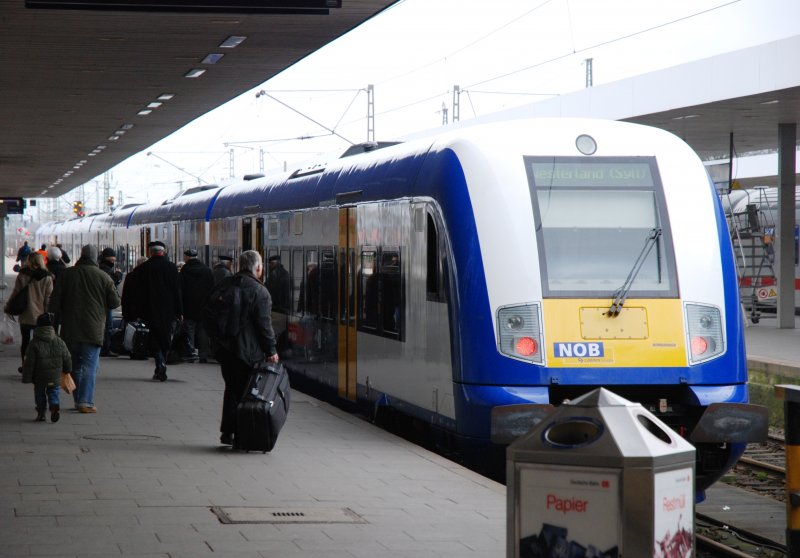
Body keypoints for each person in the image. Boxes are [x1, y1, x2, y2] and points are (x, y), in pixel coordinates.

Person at [207, 250, 278, 447]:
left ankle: (227, 431)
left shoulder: (225, 284)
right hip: (248, 352)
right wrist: (271, 350)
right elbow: (264, 326)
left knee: (231, 389)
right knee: (245, 391)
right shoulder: (260, 292)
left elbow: (209, 313)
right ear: (257, 267)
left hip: (225, 350)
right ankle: (240, 434)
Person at [48, 244, 120, 413]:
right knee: (89, 366)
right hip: (93, 329)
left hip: (70, 329)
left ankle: (78, 400)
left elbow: (54, 303)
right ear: (96, 258)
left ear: (81, 255)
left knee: (74, 365)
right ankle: (85, 401)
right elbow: (115, 302)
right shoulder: (103, 276)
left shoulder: (67, 274)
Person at [130, 241, 182, 381]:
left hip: (149, 310)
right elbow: (177, 291)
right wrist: (179, 311)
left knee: (153, 337)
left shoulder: (143, 268)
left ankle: (159, 362)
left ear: (150, 253)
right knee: (165, 337)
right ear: (163, 252)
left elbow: (137, 293)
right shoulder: (171, 267)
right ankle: (162, 362)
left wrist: (136, 311)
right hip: (168, 310)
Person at [5, 252, 54, 373]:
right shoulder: (47, 277)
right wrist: (48, 313)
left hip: (26, 314)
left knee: (25, 342)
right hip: (41, 315)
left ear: (29, 261)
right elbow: (48, 298)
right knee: (40, 342)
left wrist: (8, 305)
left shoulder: (23, 274)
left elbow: (16, 293)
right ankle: (38, 366)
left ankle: (26, 366)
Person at [21, 313, 71, 423]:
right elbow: (67, 357)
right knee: (53, 390)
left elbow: (29, 362)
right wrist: (67, 369)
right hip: (55, 375)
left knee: (39, 393)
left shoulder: (34, 343)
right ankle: (54, 405)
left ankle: (41, 413)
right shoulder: (59, 341)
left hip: (39, 376)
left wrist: (27, 376)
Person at [179, 249, 214, 362]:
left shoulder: (185, 270)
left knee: (190, 330)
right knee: (202, 331)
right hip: (204, 306)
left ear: (187, 257)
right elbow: (212, 289)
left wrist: (180, 308)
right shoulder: (207, 270)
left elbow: (180, 289)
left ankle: (191, 354)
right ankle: (203, 355)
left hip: (189, 307)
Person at [98, 248, 123, 357]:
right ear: (105, 259)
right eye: (111, 260)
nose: (113, 263)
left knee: (106, 325)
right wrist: (118, 276)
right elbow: (111, 284)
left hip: (102, 301)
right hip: (106, 302)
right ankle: (106, 348)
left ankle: (104, 347)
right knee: (108, 325)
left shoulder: (101, 267)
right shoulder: (105, 270)